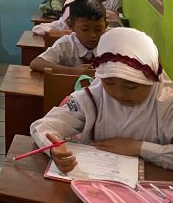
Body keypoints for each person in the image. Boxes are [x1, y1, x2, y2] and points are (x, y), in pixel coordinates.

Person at [30, 28, 173, 171]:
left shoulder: (168, 104)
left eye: (131, 85)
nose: (119, 94)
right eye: (109, 82)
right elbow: (43, 126)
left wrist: (138, 148)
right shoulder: (94, 97)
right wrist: (53, 147)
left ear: (153, 79)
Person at [30, 0, 106, 74]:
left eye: (98, 29)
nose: (93, 35)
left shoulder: (109, 43)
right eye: (85, 29)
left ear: (106, 25)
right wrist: (72, 71)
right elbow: (36, 63)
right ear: (71, 26)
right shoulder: (65, 44)